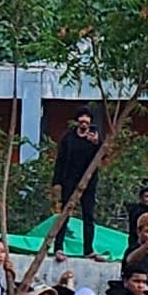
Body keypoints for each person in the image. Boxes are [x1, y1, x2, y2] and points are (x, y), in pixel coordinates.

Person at [49, 110, 103, 257]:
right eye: (82, 121)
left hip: (89, 182)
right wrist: (57, 182)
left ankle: (88, 250)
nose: (84, 124)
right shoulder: (68, 138)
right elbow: (60, 160)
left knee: (88, 216)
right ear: (78, 121)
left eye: (87, 121)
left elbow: (103, 156)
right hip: (70, 181)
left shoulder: (95, 138)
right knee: (65, 213)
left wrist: (96, 143)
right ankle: (58, 247)